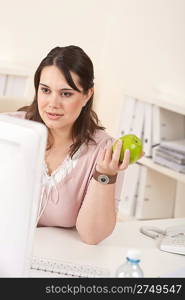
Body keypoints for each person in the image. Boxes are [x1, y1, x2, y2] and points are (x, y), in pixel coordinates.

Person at [5, 46, 142, 244]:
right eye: (45, 90)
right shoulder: (10, 130)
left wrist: (104, 175)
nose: (53, 103)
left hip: (59, 258)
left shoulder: (105, 151)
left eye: (66, 94)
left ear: (87, 95)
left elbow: (92, 236)